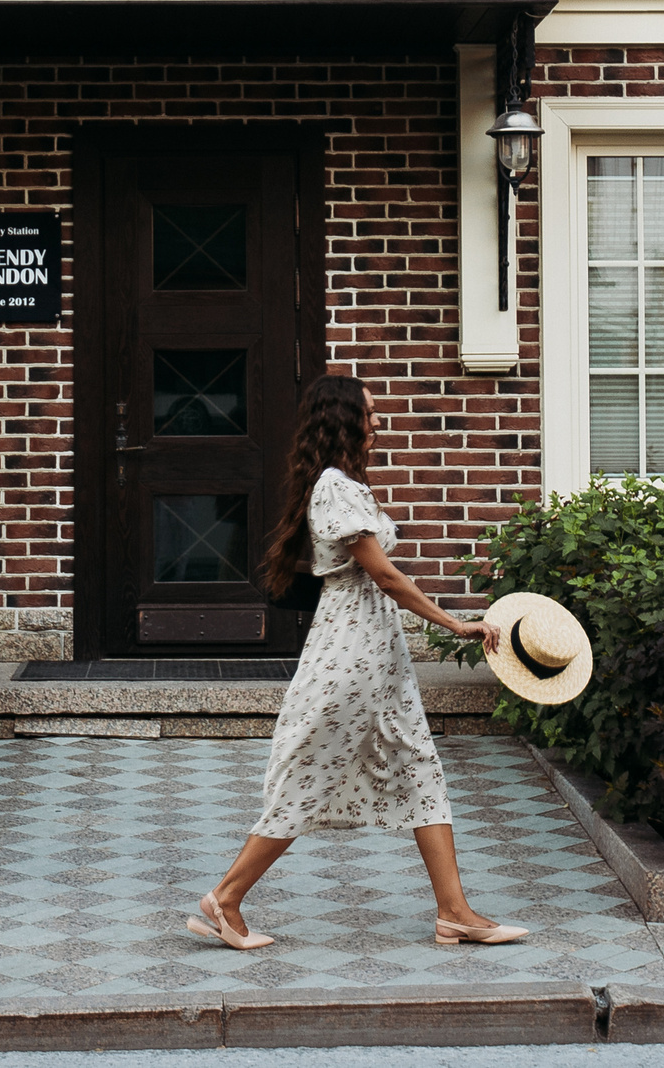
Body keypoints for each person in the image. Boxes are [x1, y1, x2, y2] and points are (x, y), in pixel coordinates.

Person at [186, 371, 528, 951]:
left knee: (422, 772)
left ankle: (454, 913)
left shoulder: (339, 486)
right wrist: (456, 623)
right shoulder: (336, 488)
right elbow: (386, 577)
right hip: (350, 660)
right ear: (342, 420)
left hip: (380, 661)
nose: (376, 423)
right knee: (306, 779)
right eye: (368, 414)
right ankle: (225, 899)